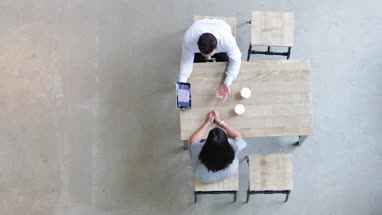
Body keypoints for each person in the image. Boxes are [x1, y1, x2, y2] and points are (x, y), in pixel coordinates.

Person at [179, 19, 242, 102]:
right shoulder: (189, 40)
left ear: (216, 47)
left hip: (221, 26)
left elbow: (236, 60)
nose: (208, 58)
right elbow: (186, 61)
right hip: (198, 26)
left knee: (226, 63)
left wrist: (227, 82)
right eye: (206, 55)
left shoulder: (227, 41)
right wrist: (182, 86)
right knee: (196, 67)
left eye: (210, 55)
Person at [188, 110, 247, 183]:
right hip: (230, 172)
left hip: (205, 177)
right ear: (226, 140)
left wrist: (207, 123)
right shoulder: (234, 146)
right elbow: (237, 136)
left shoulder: (200, 148)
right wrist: (220, 122)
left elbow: (193, 140)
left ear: (207, 141)